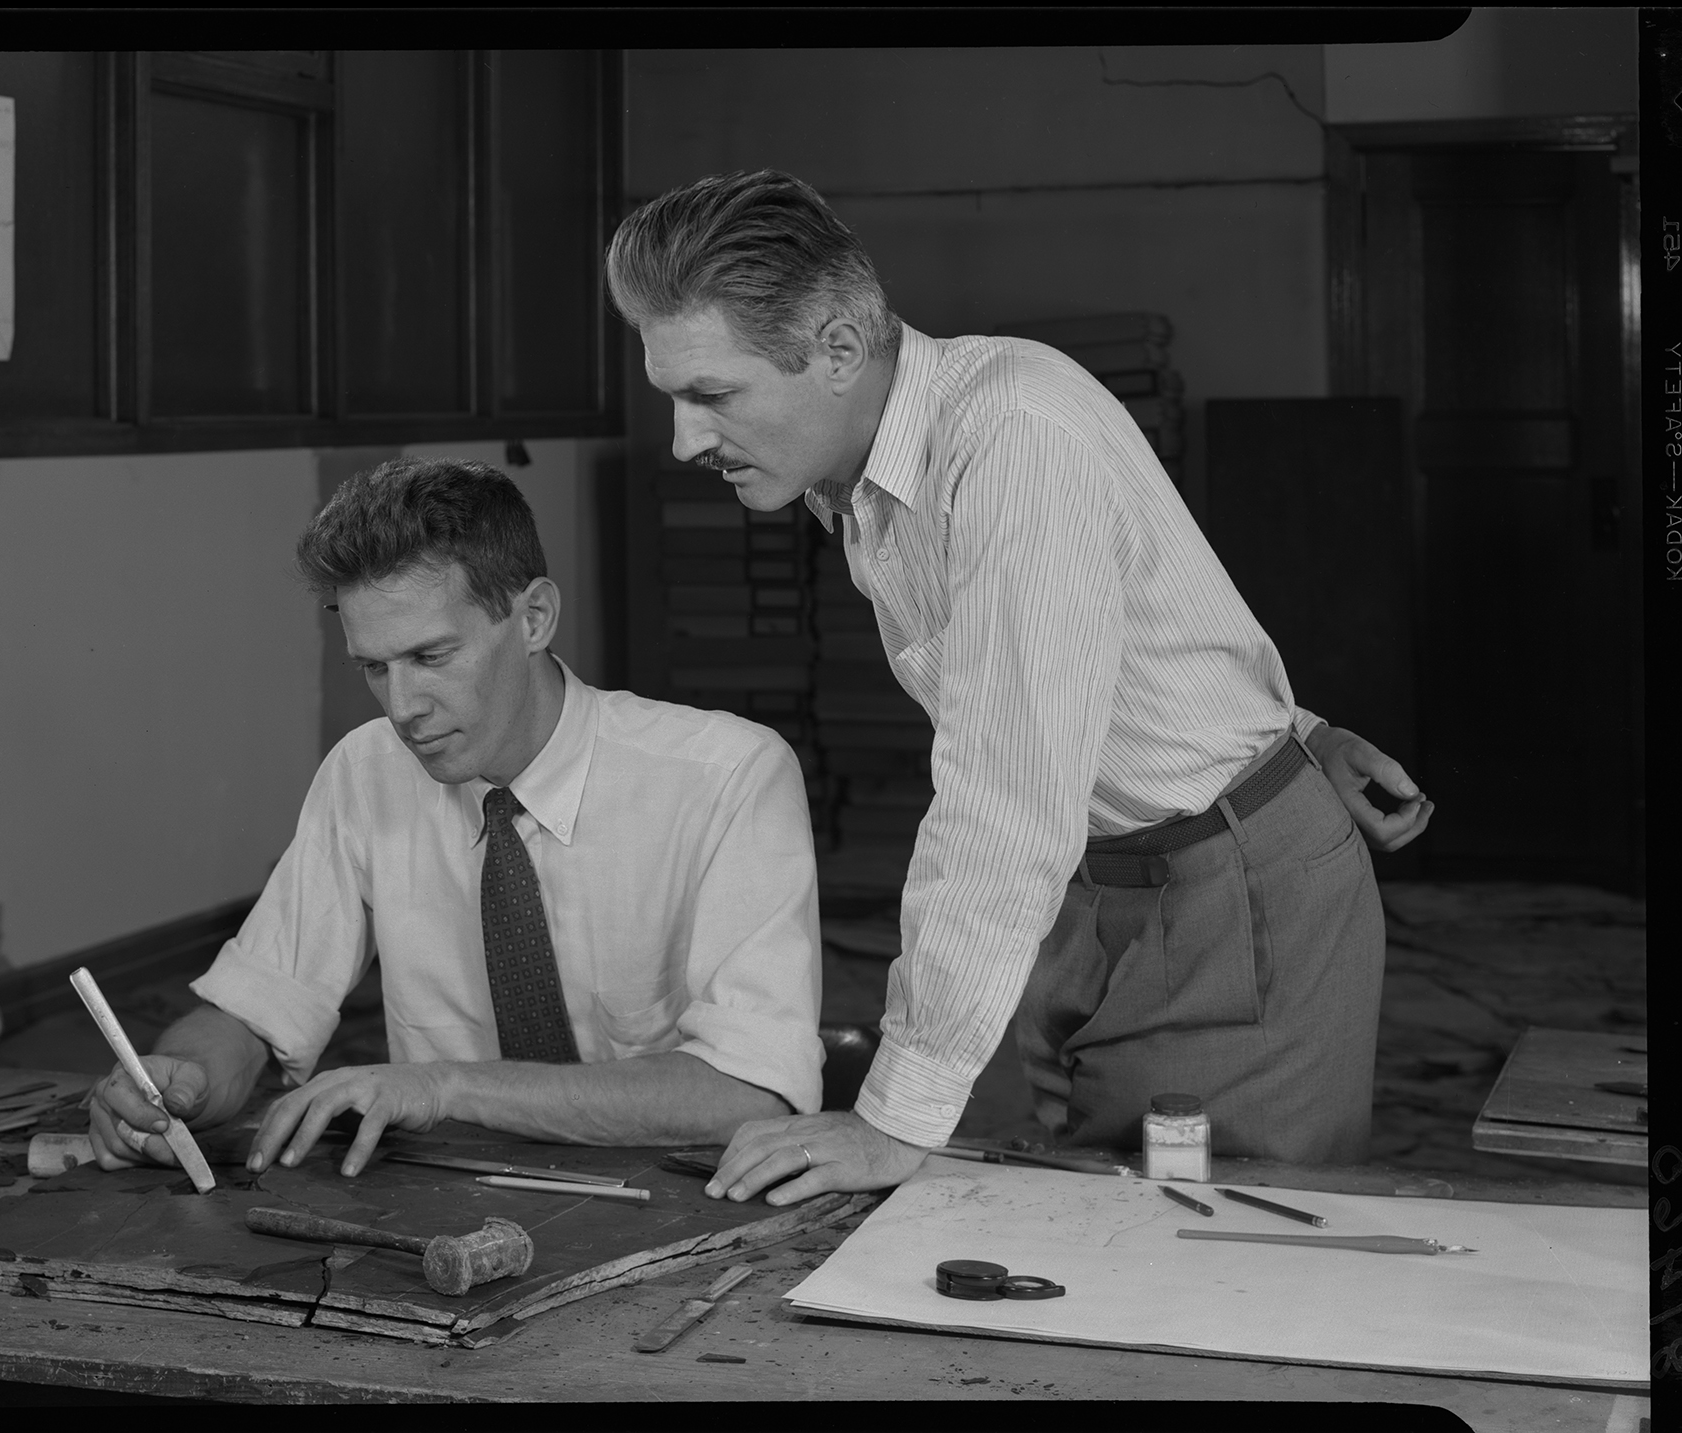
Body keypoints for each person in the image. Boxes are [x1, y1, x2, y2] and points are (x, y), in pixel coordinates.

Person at [603, 170, 1436, 1205]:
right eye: (669, 396)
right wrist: (1298, 727)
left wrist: (892, 1114)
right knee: (1091, 1212)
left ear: (837, 347)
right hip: (1101, 884)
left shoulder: (1010, 442)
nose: (682, 440)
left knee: (1211, 1240)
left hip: (1225, 898)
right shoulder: (861, 471)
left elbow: (1004, 797)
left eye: (710, 395)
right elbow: (1138, 611)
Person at [88, 456, 822, 1179]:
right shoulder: (367, 770)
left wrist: (443, 1087)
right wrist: (182, 1077)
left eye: (431, 656)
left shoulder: (728, 775)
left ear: (534, 616)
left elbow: (749, 1090)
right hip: (453, 1201)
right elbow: (255, 1010)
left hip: (673, 1201)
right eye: (373, 667)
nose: (402, 707)